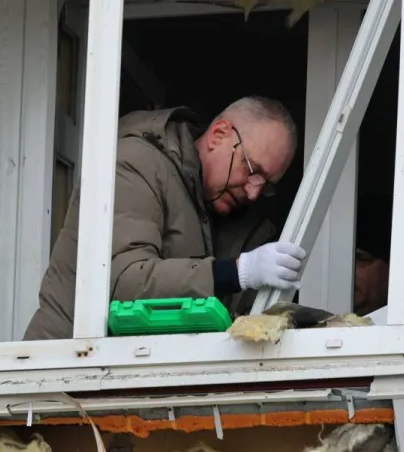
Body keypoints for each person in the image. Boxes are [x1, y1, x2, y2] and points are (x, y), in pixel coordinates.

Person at [24, 97, 308, 341]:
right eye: (251, 170)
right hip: (62, 378)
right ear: (219, 135)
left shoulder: (238, 218)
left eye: (266, 185)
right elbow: (123, 282)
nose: (253, 191)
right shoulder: (135, 162)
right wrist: (238, 272)